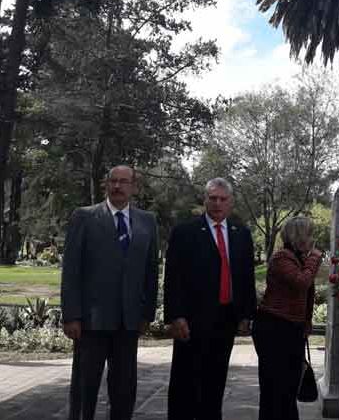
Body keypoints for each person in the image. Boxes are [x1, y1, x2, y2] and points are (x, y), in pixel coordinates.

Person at [61, 165, 159, 420]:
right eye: (113, 181)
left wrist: (146, 313)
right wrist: (71, 315)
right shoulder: (84, 217)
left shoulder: (147, 221)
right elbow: (71, 270)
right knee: (85, 388)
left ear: (134, 187)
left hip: (129, 323)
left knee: (124, 390)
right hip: (91, 323)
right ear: (106, 184)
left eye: (123, 182)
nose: (117, 186)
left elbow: (150, 270)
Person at [163, 178, 256, 420]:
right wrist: (176, 315)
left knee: (214, 384)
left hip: (224, 321)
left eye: (222, 199)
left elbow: (246, 278)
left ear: (231, 203)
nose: (217, 203)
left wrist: (247, 315)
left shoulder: (241, 234)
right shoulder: (185, 232)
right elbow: (173, 277)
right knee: (185, 385)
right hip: (191, 323)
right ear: (205, 200)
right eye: (212, 198)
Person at [252, 216, 323, 420]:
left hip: (291, 328)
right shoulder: (282, 258)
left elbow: (305, 293)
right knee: (275, 389)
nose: (312, 240)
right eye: (309, 234)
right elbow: (301, 283)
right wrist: (314, 259)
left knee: (289, 388)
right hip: (274, 328)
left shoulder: (298, 259)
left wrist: (306, 322)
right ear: (298, 236)